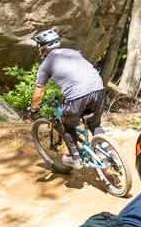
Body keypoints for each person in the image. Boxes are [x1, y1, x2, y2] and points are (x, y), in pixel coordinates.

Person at [28, 28, 107, 169]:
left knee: (66, 125)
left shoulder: (46, 64)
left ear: (43, 48)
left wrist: (34, 109)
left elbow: (38, 93)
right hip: (98, 88)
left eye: (39, 46)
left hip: (78, 95)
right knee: (94, 123)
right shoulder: (73, 53)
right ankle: (106, 150)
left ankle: (75, 158)